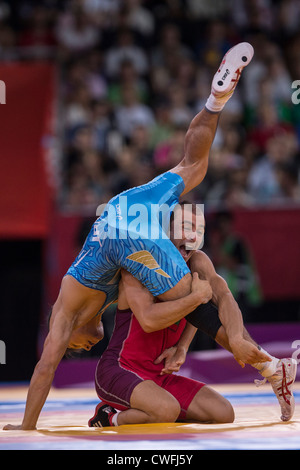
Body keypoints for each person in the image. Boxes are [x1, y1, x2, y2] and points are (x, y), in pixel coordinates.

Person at [4, 42, 257, 431]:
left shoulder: (65, 313)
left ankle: (240, 345)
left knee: (188, 290)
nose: (86, 346)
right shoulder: (86, 305)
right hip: (121, 209)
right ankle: (216, 99)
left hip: (120, 233)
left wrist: (26, 427)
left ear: (67, 331)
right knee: (194, 166)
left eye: (77, 346)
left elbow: (44, 369)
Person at [88, 202, 297, 426]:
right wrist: (196, 298)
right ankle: (108, 416)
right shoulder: (139, 263)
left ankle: (272, 368)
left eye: (198, 230)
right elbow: (149, 320)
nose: (191, 235)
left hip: (158, 376)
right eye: (185, 227)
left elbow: (224, 297)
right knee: (166, 409)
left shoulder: (197, 260)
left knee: (223, 412)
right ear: (165, 232)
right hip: (119, 369)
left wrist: (187, 345)